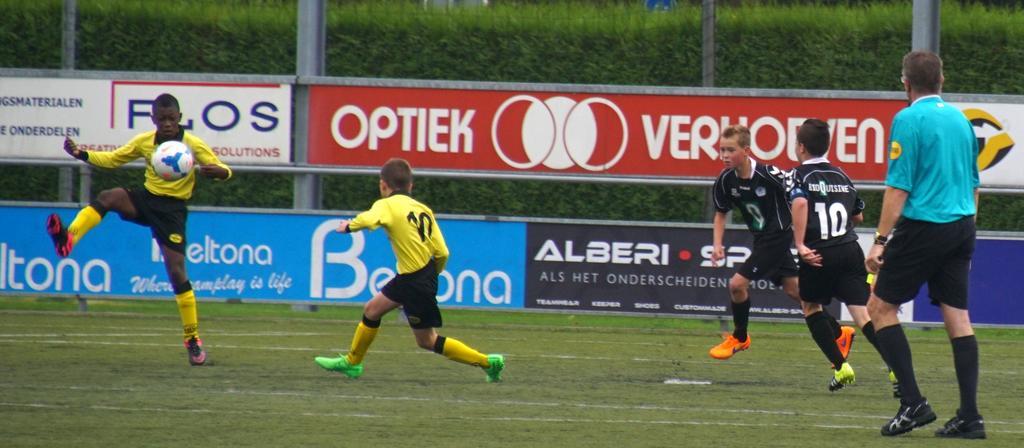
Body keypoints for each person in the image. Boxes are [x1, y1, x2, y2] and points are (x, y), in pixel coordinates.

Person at [46, 93, 232, 366]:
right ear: (153, 119)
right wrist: (81, 154)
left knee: (176, 272)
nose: (167, 123)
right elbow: (113, 159)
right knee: (109, 197)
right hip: (146, 200)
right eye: (162, 119)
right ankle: (68, 238)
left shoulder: (192, 144)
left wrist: (220, 172)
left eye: (171, 118)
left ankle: (192, 339)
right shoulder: (145, 142)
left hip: (172, 212)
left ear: (179, 118)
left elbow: (222, 167)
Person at [866, 50, 984, 438]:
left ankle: (913, 403)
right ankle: (970, 417)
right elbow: (974, 185)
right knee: (958, 318)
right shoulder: (961, 120)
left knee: (879, 308)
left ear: (905, 84)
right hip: (962, 225)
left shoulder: (908, 119)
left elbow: (898, 188)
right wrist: (966, 235)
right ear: (941, 80)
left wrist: (880, 241)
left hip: (925, 226)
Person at [314, 158, 505, 382]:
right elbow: (443, 252)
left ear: (383, 184)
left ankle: (488, 363)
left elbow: (368, 218)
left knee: (427, 340)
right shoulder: (424, 210)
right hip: (415, 277)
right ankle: (352, 363)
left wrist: (348, 226)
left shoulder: (386, 205)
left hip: (413, 280)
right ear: (410, 186)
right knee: (372, 310)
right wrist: (432, 275)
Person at [788, 118, 894, 393]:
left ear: (801, 147)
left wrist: (800, 244)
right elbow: (857, 215)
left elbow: (799, 203)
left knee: (810, 306)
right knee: (862, 312)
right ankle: (895, 365)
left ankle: (841, 366)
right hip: (849, 250)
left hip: (818, 252)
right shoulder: (842, 175)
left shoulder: (797, 175)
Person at [707, 124, 809, 359]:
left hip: (778, 237)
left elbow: (799, 193)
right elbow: (721, 213)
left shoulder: (768, 174)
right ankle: (836, 333)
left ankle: (740, 337)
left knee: (736, 285)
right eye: (722, 150)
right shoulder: (725, 180)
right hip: (762, 239)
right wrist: (717, 245)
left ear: (746, 151)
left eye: (730, 150)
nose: (724, 155)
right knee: (795, 290)